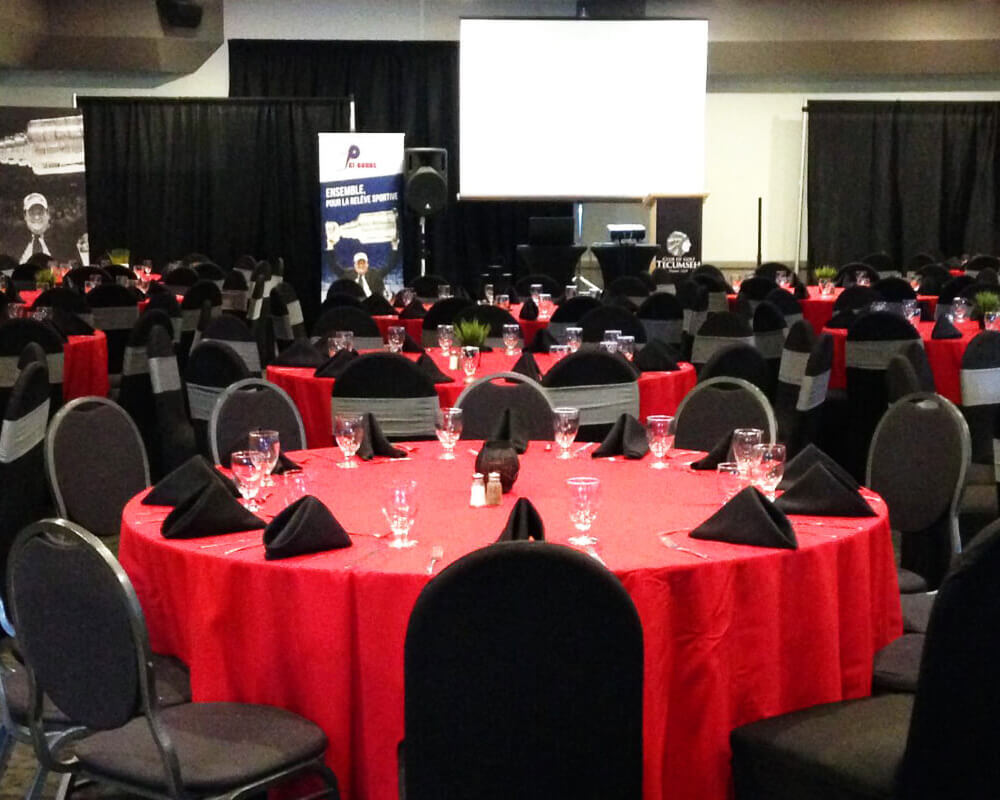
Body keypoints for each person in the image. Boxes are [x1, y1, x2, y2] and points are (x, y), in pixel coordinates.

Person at [18, 192, 53, 264]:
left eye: (40, 212)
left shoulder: (64, 243)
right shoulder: (12, 244)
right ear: (25, 216)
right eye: (32, 213)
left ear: (48, 214)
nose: (36, 217)